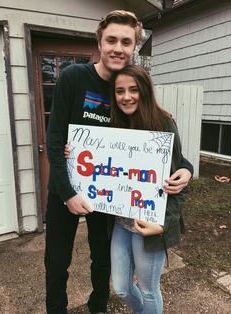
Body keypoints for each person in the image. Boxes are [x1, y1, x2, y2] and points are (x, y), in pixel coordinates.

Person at [45, 10, 193, 314]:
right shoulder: (74, 77)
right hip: (66, 189)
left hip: (107, 194)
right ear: (99, 42)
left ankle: (98, 305)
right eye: (111, 39)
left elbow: (158, 148)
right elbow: (55, 140)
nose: (118, 47)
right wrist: (69, 194)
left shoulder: (129, 90)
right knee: (57, 260)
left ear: (134, 47)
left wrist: (186, 170)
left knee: (102, 259)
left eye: (126, 42)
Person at [109, 64, 189, 314]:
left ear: (144, 90)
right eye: (119, 91)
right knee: (121, 287)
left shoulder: (163, 123)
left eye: (133, 89)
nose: (126, 96)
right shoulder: (115, 125)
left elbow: (178, 179)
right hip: (122, 222)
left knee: (148, 289)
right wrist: (75, 154)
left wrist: (164, 225)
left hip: (152, 225)